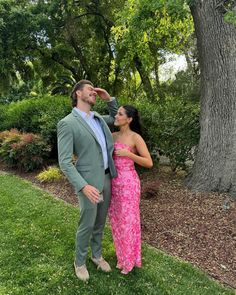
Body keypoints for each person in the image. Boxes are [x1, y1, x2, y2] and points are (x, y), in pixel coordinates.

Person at [57, 80, 118, 281]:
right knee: (87, 223)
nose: (93, 91)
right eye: (89, 89)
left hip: (108, 177)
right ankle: (80, 261)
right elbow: (64, 162)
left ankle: (97, 256)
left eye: (94, 89)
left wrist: (109, 100)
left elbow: (116, 119)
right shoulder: (67, 123)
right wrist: (83, 186)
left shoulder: (98, 117)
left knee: (100, 222)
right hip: (88, 183)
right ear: (77, 93)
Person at [108, 105, 153, 275]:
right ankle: (121, 258)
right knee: (117, 222)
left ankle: (129, 260)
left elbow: (148, 163)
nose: (116, 116)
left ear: (129, 119)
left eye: (120, 114)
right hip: (114, 183)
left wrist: (129, 155)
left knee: (128, 222)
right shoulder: (111, 136)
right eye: (117, 113)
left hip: (129, 184)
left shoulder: (136, 138)